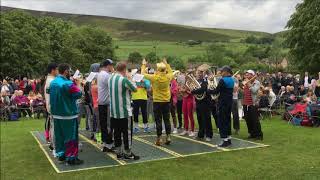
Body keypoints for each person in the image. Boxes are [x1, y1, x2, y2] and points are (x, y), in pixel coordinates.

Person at [50, 63, 83, 165]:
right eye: (69, 71)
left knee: (59, 136)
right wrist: (78, 84)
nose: (70, 73)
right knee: (71, 137)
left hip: (56, 114)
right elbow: (78, 94)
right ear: (66, 71)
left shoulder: (53, 82)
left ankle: (61, 155)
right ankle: (71, 157)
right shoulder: (67, 83)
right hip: (68, 114)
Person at [108, 62, 139, 160]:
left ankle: (118, 152)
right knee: (127, 133)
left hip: (114, 112)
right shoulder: (123, 79)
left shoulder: (110, 78)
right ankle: (128, 152)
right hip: (124, 112)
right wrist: (130, 78)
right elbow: (135, 89)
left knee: (117, 132)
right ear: (124, 70)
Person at [141, 58, 173, 146]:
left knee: (158, 120)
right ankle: (168, 136)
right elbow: (170, 72)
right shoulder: (168, 77)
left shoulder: (154, 77)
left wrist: (144, 64)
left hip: (157, 101)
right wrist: (167, 64)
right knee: (167, 120)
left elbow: (143, 74)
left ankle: (159, 139)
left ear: (158, 70)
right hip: (166, 101)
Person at [207, 66, 234, 147]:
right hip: (229, 102)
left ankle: (224, 140)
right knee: (228, 121)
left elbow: (216, 91)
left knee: (222, 121)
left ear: (226, 72)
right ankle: (229, 139)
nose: (221, 73)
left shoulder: (223, 80)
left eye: (222, 71)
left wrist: (208, 90)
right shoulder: (231, 80)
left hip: (222, 103)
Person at [97, 59, 114, 152]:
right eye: (111, 65)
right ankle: (109, 144)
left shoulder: (100, 74)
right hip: (106, 103)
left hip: (101, 102)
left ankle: (105, 143)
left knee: (103, 124)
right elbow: (114, 83)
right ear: (108, 66)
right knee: (108, 125)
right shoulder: (106, 75)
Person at [191, 69, 213, 141]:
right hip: (198, 102)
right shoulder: (196, 82)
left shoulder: (206, 81)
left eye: (201, 73)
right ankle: (201, 134)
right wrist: (194, 91)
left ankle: (209, 135)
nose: (199, 74)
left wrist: (193, 91)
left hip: (205, 103)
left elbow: (203, 89)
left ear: (203, 74)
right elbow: (194, 89)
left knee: (206, 119)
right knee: (200, 119)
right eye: (198, 73)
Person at [242, 70, 263, 140]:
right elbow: (243, 92)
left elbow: (254, 91)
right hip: (245, 103)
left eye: (248, 75)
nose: (247, 76)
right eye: (246, 75)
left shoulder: (256, 82)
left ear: (252, 75)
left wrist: (249, 84)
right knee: (248, 120)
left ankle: (258, 135)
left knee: (255, 120)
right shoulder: (245, 82)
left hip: (253, 104)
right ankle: (252, 133)